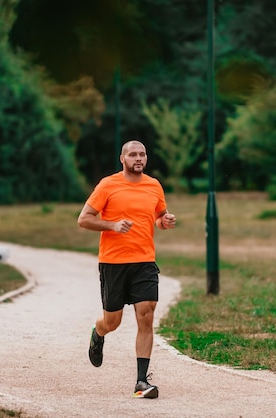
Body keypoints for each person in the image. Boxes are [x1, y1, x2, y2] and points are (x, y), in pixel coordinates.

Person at [77, 139, 176, 399]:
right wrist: (111, 225)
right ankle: (98, 333)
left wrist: (165, 221)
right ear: (122, 159)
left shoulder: (154, 185)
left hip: (144, 260)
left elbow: (158, 218)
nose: (138, 158)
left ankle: (141, 382)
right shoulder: (108, 185)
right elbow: (84, 219)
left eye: (142, 154)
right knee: (113, 321)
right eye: (133, 154)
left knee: (146, 314)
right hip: (113, 263)